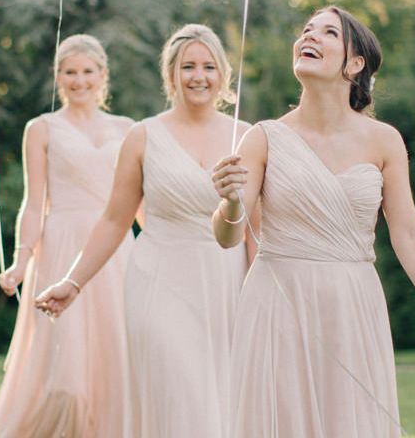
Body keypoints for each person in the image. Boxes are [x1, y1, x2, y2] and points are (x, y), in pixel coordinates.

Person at [211, 5, 415, 438]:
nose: (309, 36)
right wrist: (231, 202)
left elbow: (407, 232)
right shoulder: (262, 137)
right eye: (307, 30)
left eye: (329, 32)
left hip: (352, 304)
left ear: (355, 64)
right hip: (277, 302)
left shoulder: (384, 140)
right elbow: (227, 236)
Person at [36, 23, 253, 438]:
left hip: (225, 284)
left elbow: (257, 232)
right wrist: (73, 282)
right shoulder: (142, 136)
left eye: (208, 66)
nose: (198, 76)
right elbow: (114, 220)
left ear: (223, 74)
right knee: (175, 391)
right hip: (158, 281)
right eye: (187, 66)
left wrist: (263, 298)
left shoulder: (246, 137)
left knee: (219, 401)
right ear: (170, 74)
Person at [0, 34, 134, 438]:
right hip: (60, 249)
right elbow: (34, 203)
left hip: (116, 253)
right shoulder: (42, 128)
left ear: (103, 75)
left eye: (87, 71)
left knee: (117, 362)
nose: (79, 80)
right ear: (58, 77)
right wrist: (20, 262)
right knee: (64, 377)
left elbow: (140, 204)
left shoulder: (128, 129)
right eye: (69, 72)